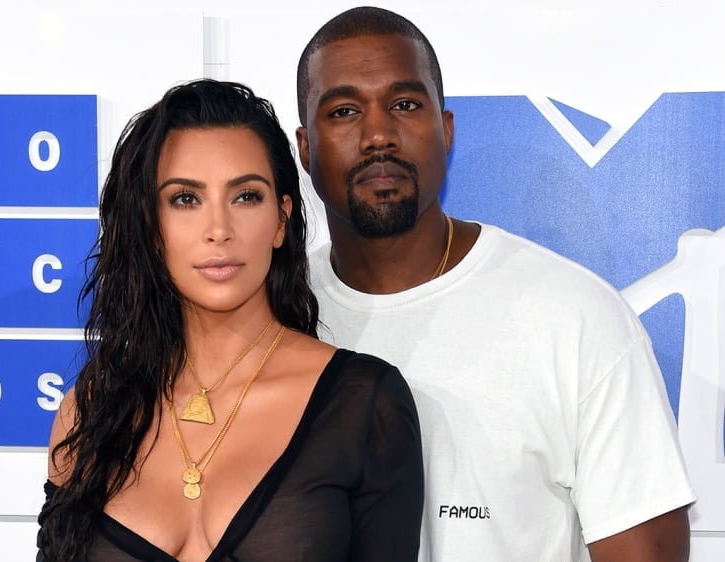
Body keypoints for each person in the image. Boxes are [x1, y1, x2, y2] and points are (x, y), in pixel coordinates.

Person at [295, 7, 695, 562]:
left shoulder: (575, 317)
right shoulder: (273, 316)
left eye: (405, 104)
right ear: (305, 148)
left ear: (447, 129)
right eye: (343, 111)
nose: (378, 134)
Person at [37, 79, 423, 562]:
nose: (219, 230)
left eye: (245, 197)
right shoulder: (89, 410)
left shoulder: (364, 404)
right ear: (151, 227)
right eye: (185, 199)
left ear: (282, 219)